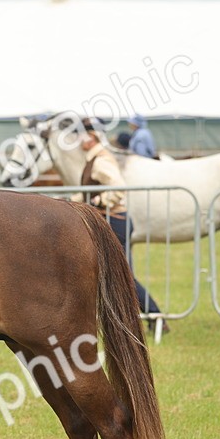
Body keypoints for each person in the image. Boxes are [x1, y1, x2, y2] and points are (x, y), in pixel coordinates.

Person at [79, 131, 166, 330]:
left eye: (82, 137)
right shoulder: (94, 158)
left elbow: (118, 188)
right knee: (119, 275)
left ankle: (154, 315)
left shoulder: (101, 161)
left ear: (92, 138)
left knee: (123, 276)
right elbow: (87, 191)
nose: (78, 141)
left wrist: (99, 201)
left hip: (115, 221)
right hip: (111, 221)